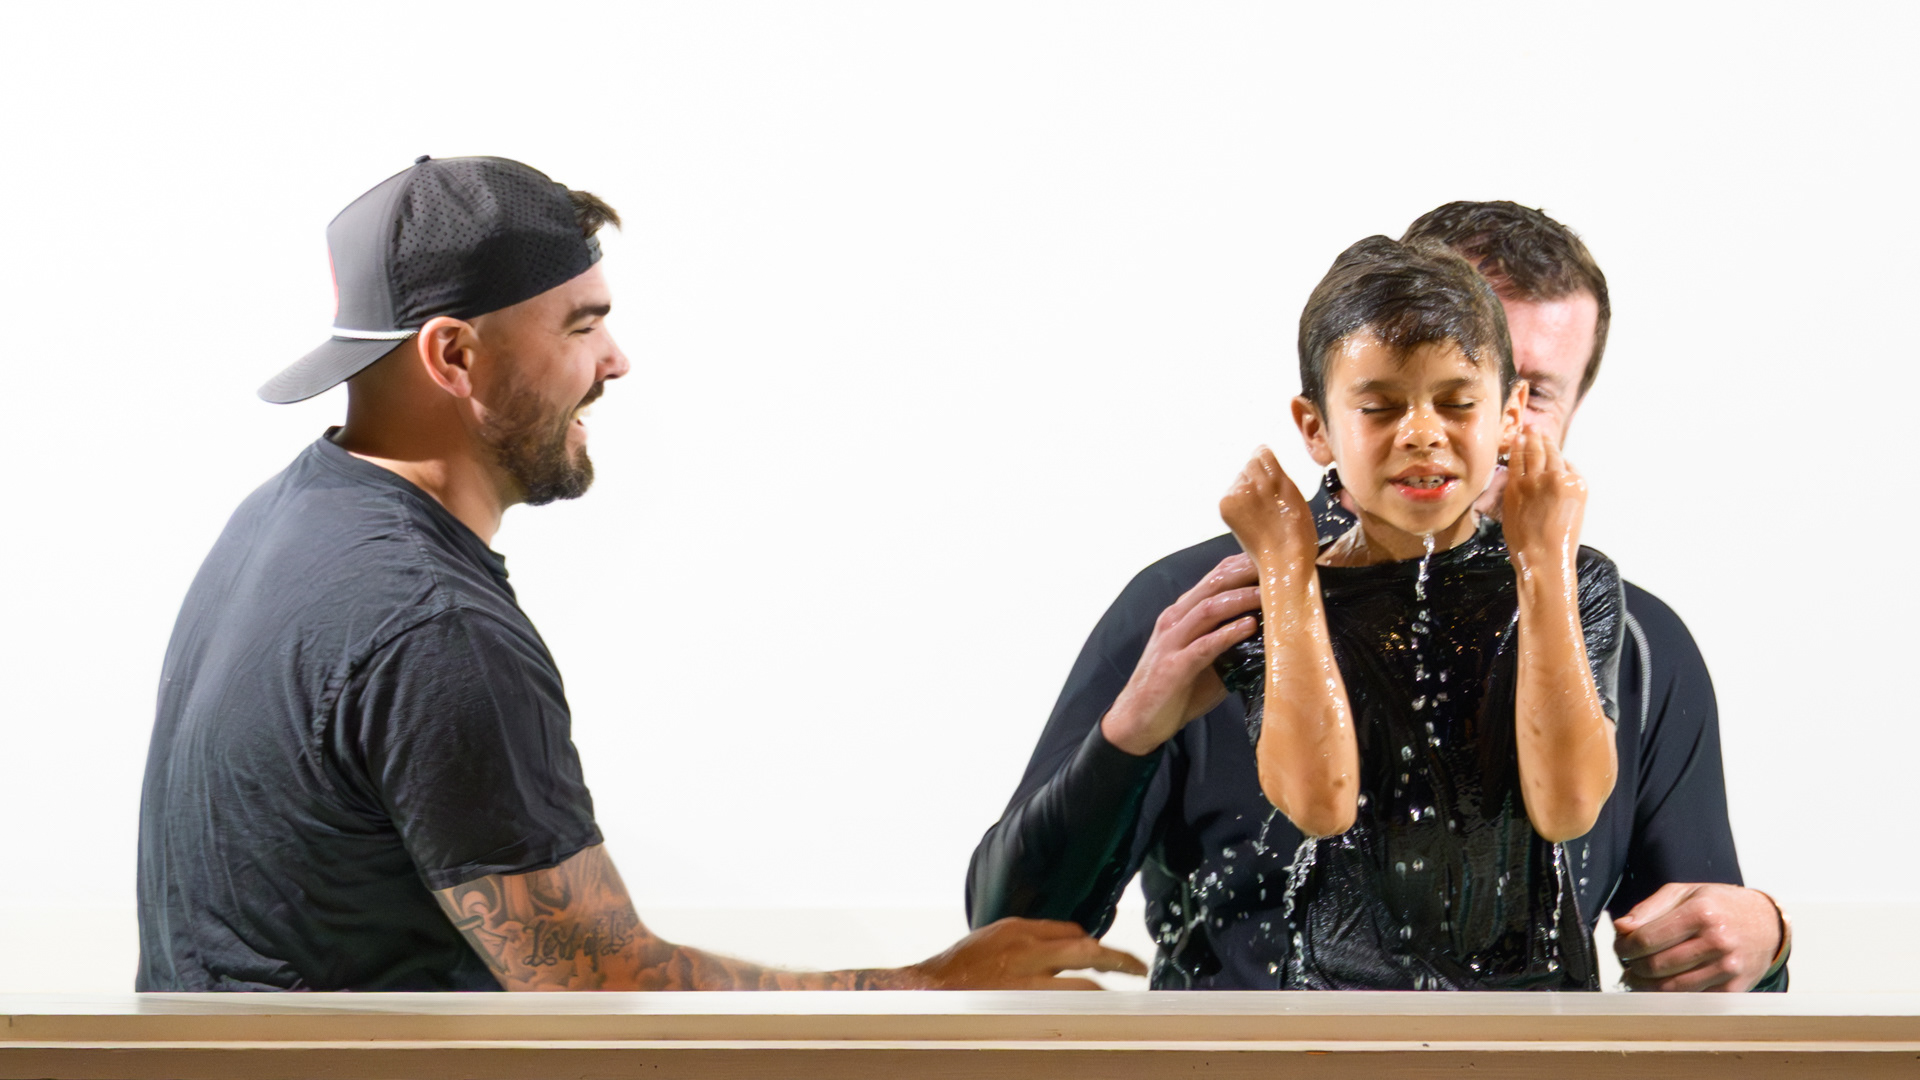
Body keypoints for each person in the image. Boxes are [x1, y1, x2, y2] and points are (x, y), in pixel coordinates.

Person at [136, 155, 1144, 992]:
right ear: (454, 357)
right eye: (580, 326)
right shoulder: (433, 625)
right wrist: (926, 990)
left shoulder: (283, 523)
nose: (615, 361)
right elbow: (599, 992)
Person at [968, 201, 1788, 992]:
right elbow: (1005, 934)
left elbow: (1696, 952)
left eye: (1523, 388)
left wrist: (1763, 941)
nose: (1432, 430)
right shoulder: (1206, 605)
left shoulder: (1631, 633)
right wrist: (1126, 739)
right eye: (1401, 379)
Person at [1210, 236, 1622, 989]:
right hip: (1341, 1009)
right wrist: (1289, 574)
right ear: (1316, 428)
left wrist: (1543, 563)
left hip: (1536, 1006)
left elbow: (1568, 807)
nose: (1423, 432)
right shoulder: (1278, 600)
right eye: (1379, 408)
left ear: (1510, 414)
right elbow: (1320, 803)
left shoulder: (1576, 580)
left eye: (1458, 404)